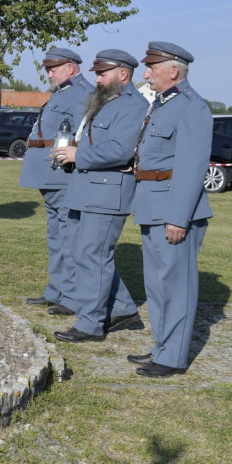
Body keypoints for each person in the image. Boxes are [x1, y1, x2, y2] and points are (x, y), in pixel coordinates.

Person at [128, 41, 213, 377]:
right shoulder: (163, 104)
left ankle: (173, 357)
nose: (146, 74)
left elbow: (192, 168)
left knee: (176, 285)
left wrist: (178, 217)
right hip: (152, 204)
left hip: (174, 211)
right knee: (158, 285)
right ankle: (162, 346)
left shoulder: (191, 106)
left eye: (152, 68)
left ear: (173, 71)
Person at [52, 50, 147, 343]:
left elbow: (120, 150)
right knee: (84, 253)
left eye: (102, 73)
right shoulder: (106, 102)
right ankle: (123, 310)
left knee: (94, 255)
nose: (97, 78)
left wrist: (79, 154)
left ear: (123, 73)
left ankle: (90, 324)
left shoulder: (133, 105)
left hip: (108, 192)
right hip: (87, 189)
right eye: (96, 73)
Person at [19, 48, 94, 315]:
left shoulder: (82, 92)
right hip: (49, 175)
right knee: (56, 236)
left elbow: (84, 133)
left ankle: (71, 296)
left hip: (63, 174)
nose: (49, 73)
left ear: (71, 67)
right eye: (48, 68)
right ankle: (56, 290)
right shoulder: (63, 91)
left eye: (54, 68)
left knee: (68, 236)